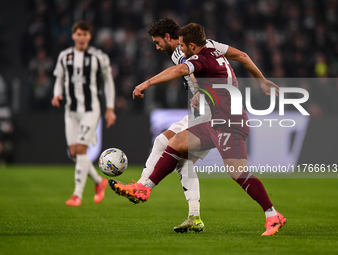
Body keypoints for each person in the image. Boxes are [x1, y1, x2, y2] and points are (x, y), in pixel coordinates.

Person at [113, 23, 286, 236]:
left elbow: (181, 69)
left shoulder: (202, 58)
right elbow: (240, 55)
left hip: (229, 122)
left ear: (192, 46)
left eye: (183, 46)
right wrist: (261, 81)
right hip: (212, 120)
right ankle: (145, 187)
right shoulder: (212, 48)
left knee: (237, 172)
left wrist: (146, 83)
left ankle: (272, 214)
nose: (181, 51)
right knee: (174, 143)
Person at [109, 18, 231, 233]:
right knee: (165, 144)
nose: (156, 47)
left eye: (157, 42)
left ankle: (143, 188)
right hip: (198, 112)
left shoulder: (184, 50)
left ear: (168, 37)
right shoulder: (188, 49)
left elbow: (189, 70)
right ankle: (187, 213)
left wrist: (148, 83)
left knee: (179, 156)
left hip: (210, 114)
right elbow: (235, 57)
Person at [52, 21, 116, 206]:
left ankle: (77, 195)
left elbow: (108, 82)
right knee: (74, 153)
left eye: (85, 34)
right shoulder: (64, 56)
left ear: (90, 36)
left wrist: (109, 108)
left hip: (90, 110)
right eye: (78, 34)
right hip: (71, 111)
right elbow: (59, 79)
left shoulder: (98, 57)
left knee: (81, 149)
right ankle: (99, 182)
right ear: (73, 36)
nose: (81, 38)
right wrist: (57, 94)